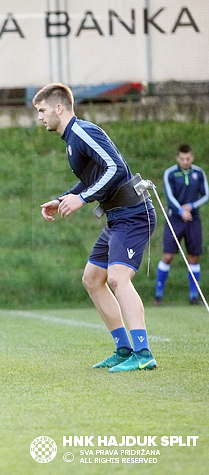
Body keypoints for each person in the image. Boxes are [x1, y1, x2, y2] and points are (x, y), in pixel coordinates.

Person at [35, 83, 157, 372]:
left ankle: (144, 353)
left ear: (59, 108)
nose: (40, 117)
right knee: (92, 279)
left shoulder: (82, 132)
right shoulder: (71, 140)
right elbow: (95, 176)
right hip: (117, 217)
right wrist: (62, 199)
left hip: (134, 214)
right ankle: (124, 349)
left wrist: (82, 198)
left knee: (117, 278)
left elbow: (115, 168)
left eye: (42, 110)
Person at [155, 144, 208, 306]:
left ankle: (194, 296)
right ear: (178, 158)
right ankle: (158, 294)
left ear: (192, 157)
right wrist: (180, 211)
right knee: (168, 255)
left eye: (188, 158)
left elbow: (206, 195)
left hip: (193, 219)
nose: (185, 161)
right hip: (175, 219)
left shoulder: (199, 173)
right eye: (182, 158)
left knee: (193, 257)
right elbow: (169, 196)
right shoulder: (170, 173)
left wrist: (191, 207)